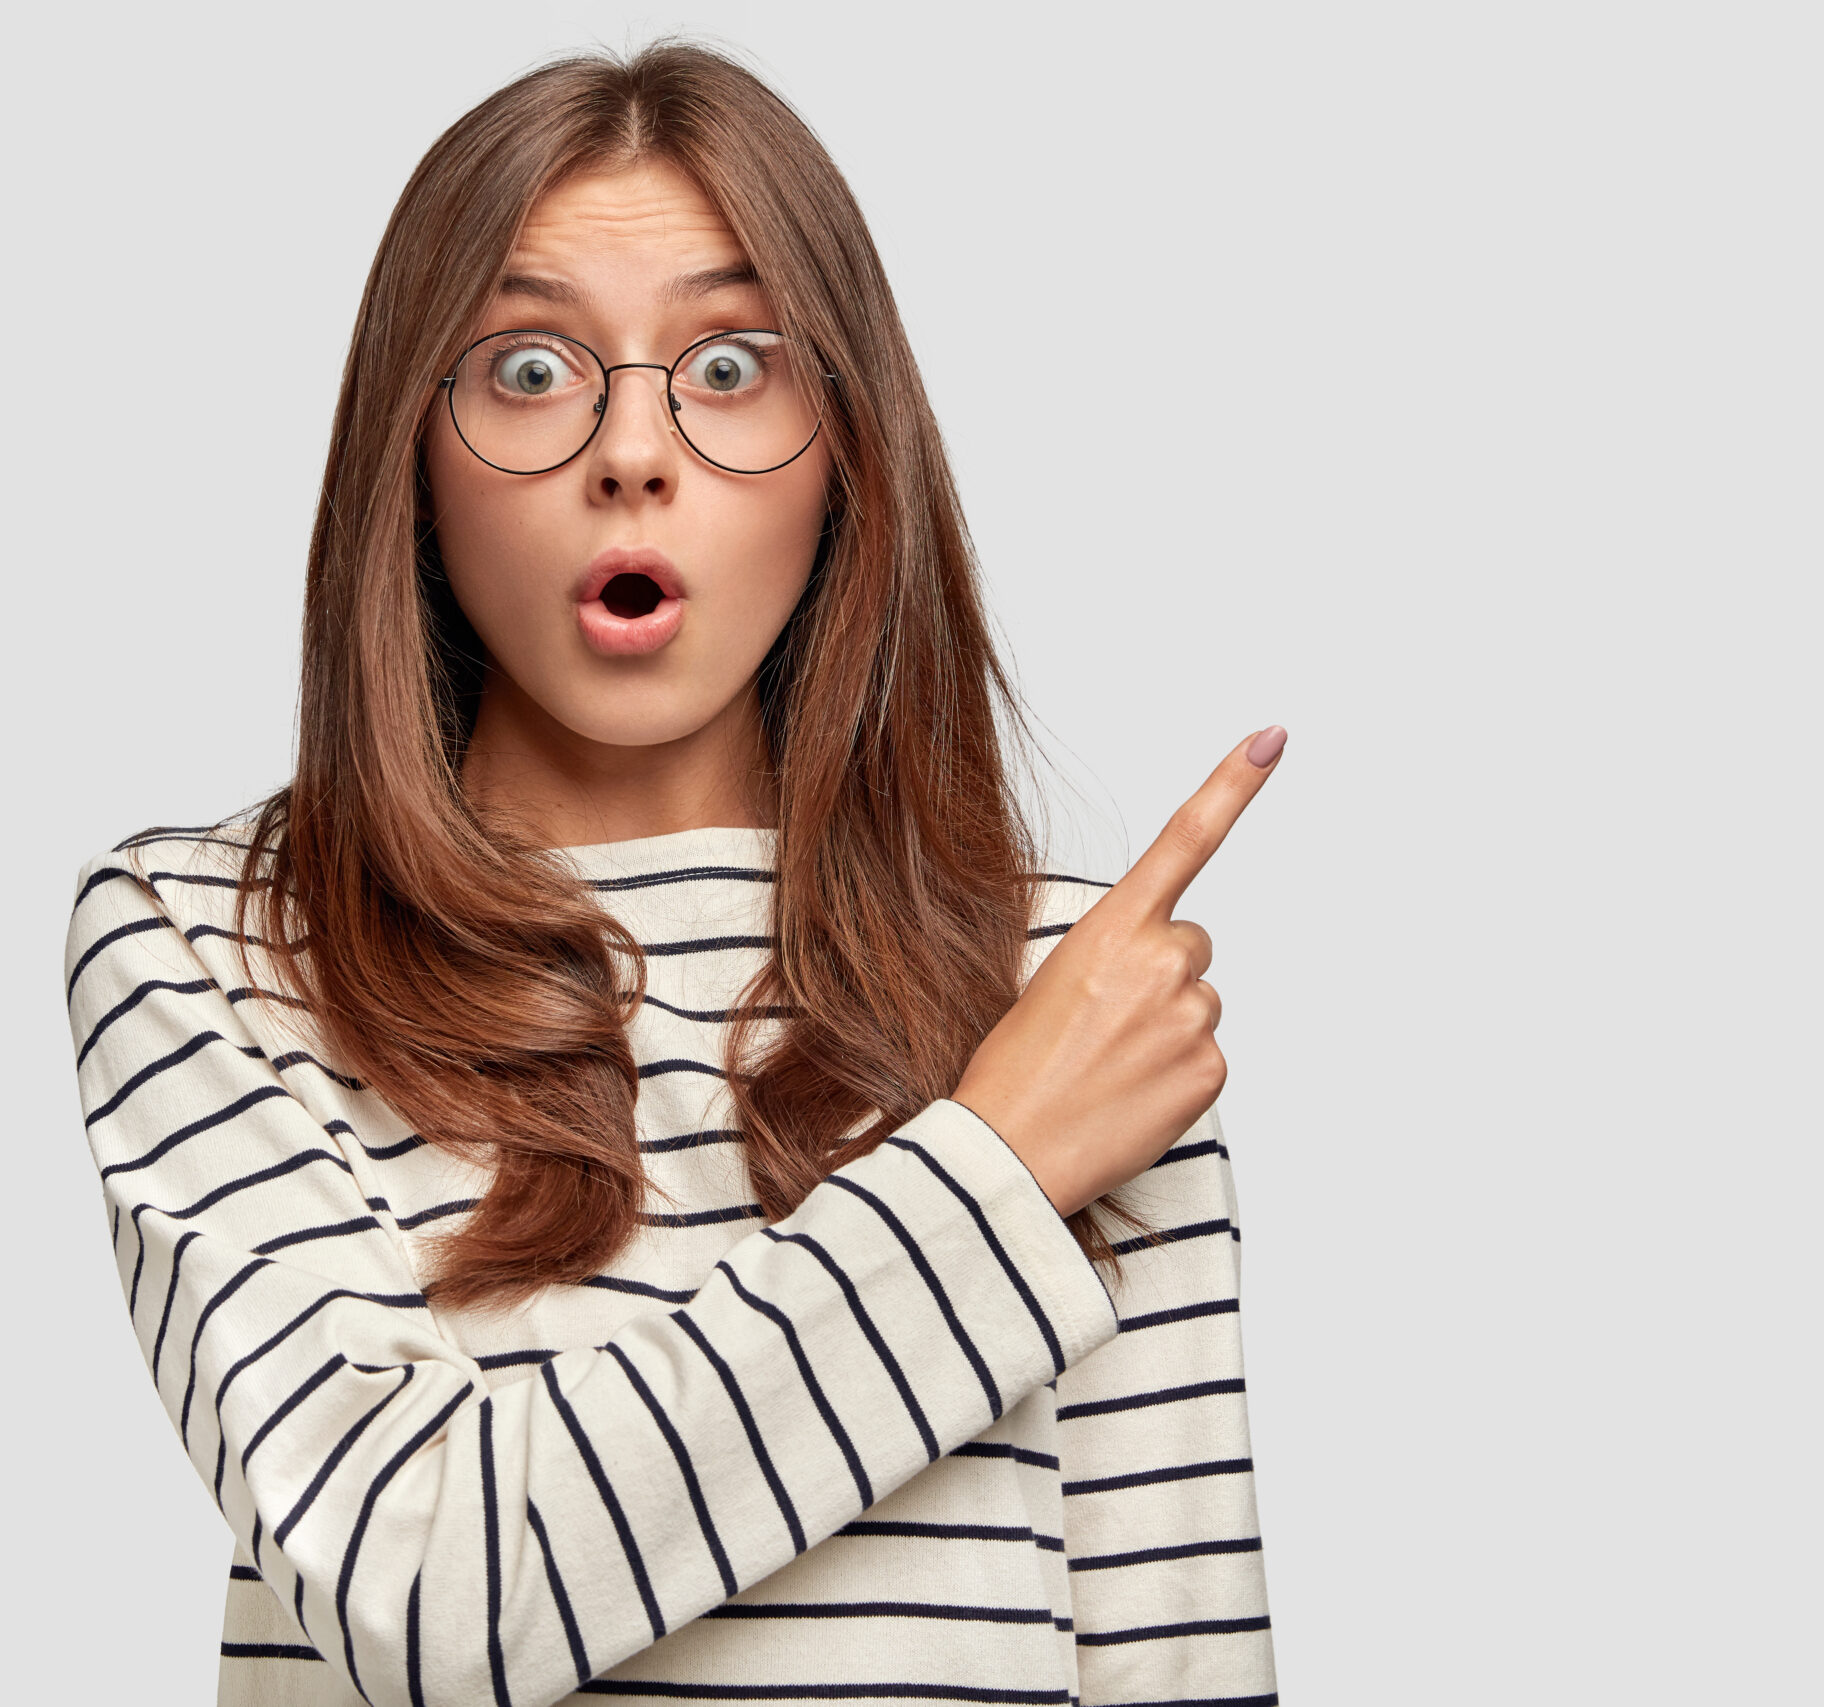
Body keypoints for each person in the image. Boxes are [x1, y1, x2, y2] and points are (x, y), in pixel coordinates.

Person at [62, 41, 1281, 1707]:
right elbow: (426, 1594)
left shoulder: (1076, 996)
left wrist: (1034, 1106)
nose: (631, 454)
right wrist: (995, 1171)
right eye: (530, 367)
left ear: (848, 445)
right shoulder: (212, 949)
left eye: (727, 366)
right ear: (409, 455)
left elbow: (1174, 1656)